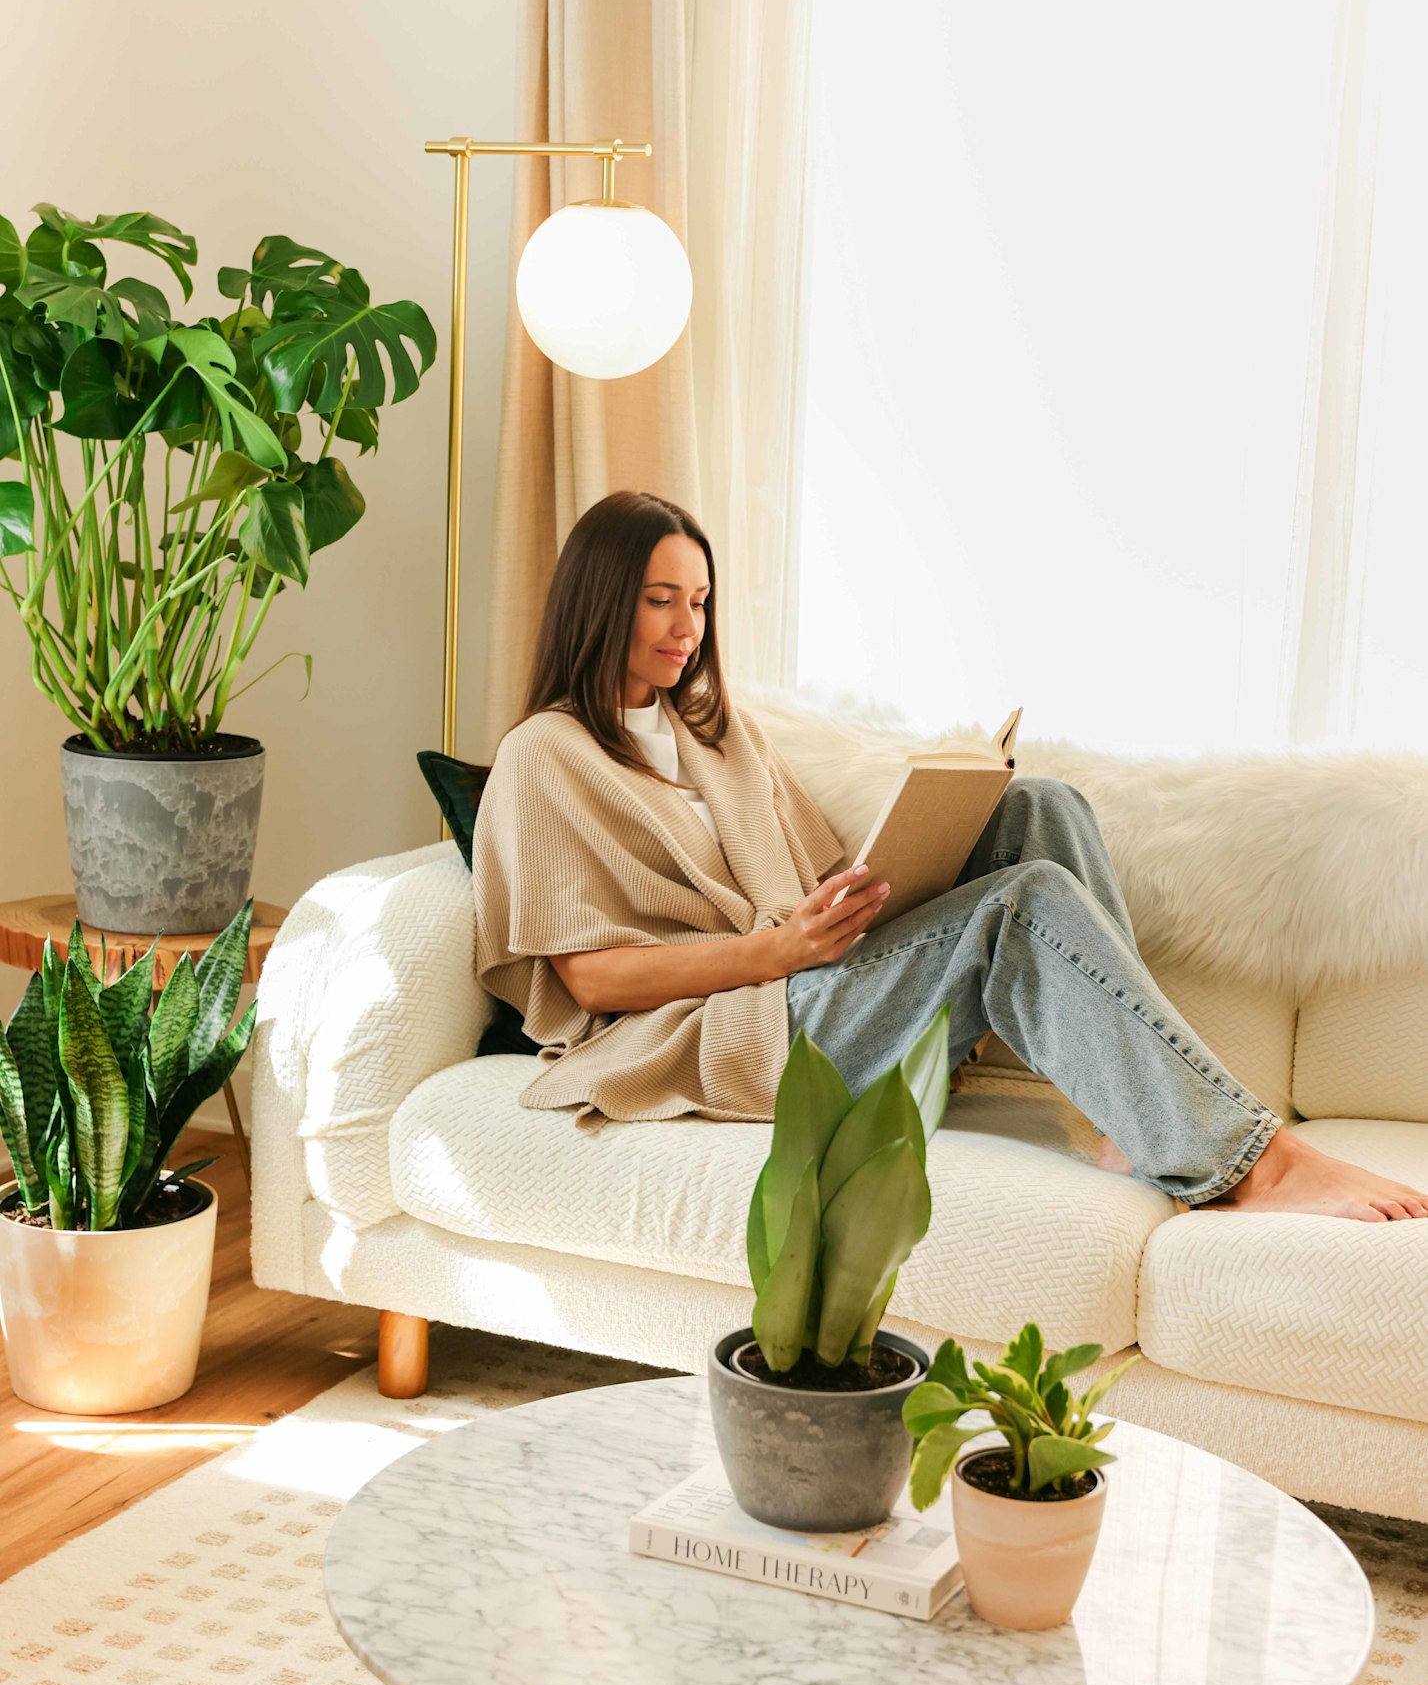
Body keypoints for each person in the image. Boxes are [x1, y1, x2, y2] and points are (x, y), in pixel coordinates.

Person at [471, 490, 1428, 1221]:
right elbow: (587, 976)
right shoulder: (545, 756)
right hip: (724, 1035)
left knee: (1041, 807)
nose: (689, 629)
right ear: (601, 601)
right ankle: (1248, 1164)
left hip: (808, 983)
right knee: (1023, 905)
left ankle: (1129, 1118)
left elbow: (815, 877)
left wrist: (927, 839)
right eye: (661, 601)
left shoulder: (722, 734)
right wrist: (777, 954)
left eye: (702, 603)